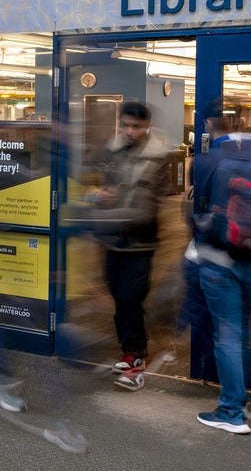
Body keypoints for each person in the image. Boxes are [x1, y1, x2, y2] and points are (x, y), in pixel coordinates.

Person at [189, 103, 251, 449]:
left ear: (208, 124)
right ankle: (242, 396)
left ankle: (231, 412)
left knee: (226, 334)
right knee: (243, 327)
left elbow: (196, 208)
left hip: (220, 258)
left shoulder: (205, 160)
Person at [87, 100, 168, 391]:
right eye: (126, 125)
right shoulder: (112, 150)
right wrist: (97, 197)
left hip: (139, 244)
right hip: (112, 242)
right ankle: (129, 351)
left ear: (147, 127)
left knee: (131, 300)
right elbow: (99, 188)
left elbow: (143, 212)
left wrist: (101, 214)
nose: (130, 131)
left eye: (137, 126)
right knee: (120, 300)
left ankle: (136, 361)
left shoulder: (156, 159)